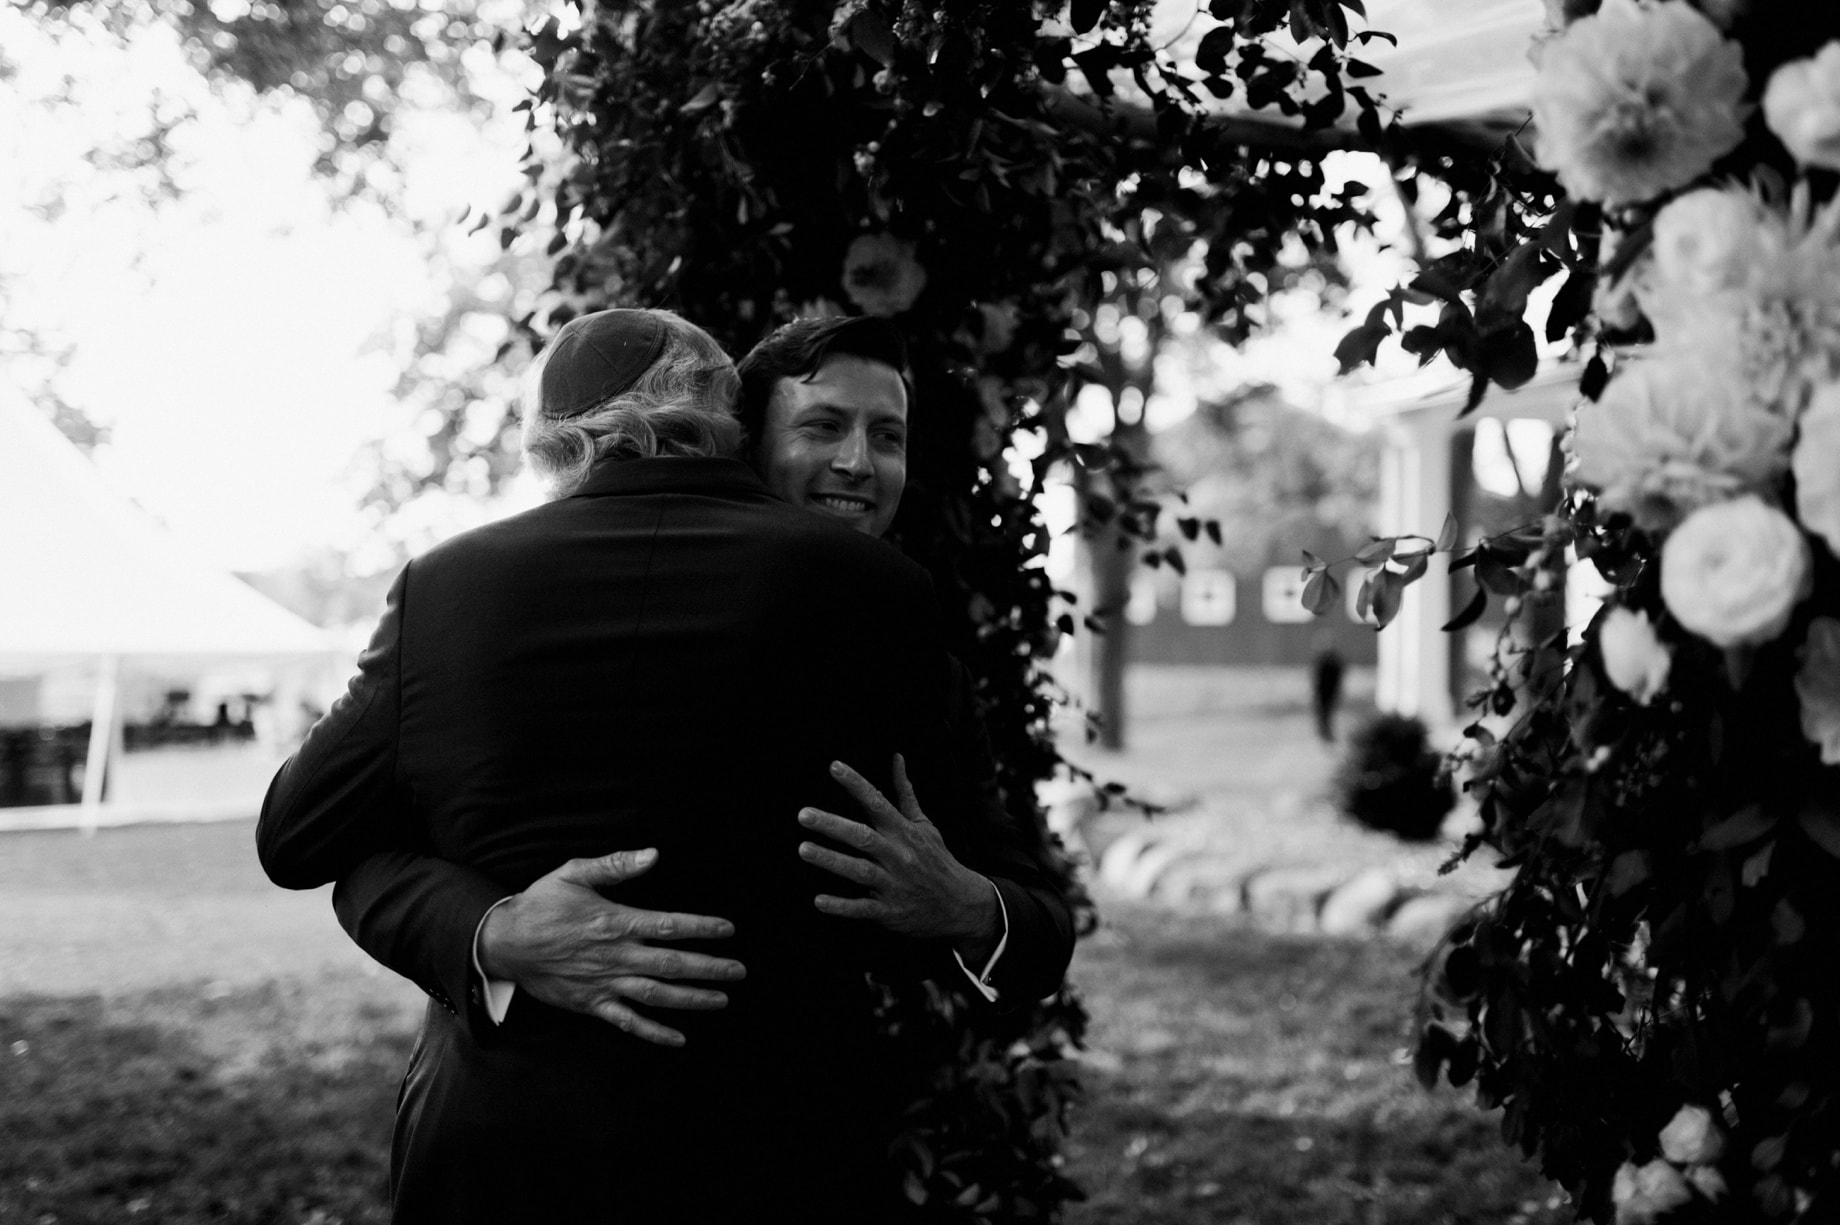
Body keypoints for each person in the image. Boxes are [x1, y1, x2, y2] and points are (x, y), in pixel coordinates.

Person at [257, 308, 1071, 1223]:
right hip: (770, 1164)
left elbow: (304, 838)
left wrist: (960, 903)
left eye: (888, 436)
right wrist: (495, 930)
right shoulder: (884, 594)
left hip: (505, 1161)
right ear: (739, 429)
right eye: (821, 426)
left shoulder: (445, 586)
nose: (855, 463)